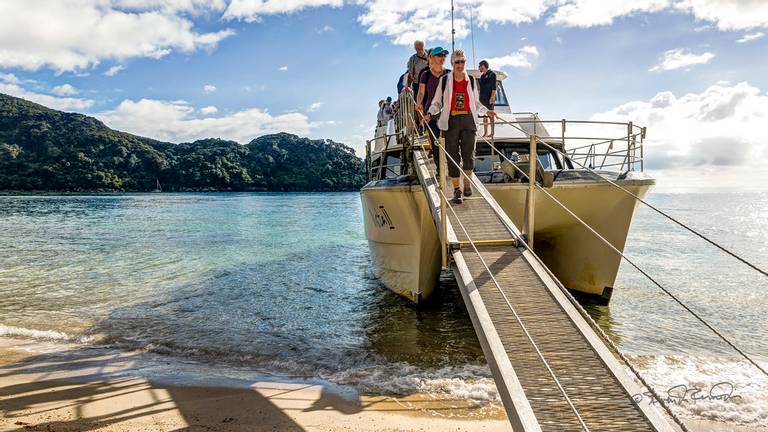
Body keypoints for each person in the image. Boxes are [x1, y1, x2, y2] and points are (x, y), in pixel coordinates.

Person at [425, 50, 495, 204]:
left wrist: (486, 111)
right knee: (452, 156)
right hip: (451, 120)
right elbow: (437, 103)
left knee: (468, 155)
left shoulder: (470, 79)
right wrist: (430, 114)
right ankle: (457, 190)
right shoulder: (444, 81)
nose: (460, 65)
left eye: (462, 61)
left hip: (468, 119)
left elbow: (475, 103)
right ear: (452, 63)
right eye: (457, 62)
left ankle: (467, 183)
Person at [415, 47, 450, 171]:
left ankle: (452, 168)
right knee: (436, 143)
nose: (442, 58)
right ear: (431, 58)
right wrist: (419, 103)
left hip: (448, 113)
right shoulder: (426, 75)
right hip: (431, 113)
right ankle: (440, 170)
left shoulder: (449, 74)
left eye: (444, 55)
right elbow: (421, 92)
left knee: (451, 142)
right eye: (439, 55)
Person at [478, 60, 497, 138]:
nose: (479, 68)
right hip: (483, 99)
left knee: (491, 115)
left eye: (480, 66)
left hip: (490, 99)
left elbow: (494, 88)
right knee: (485, 116)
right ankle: (485, 133)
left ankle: (492, 132)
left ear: (483, 66)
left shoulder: (492, 74)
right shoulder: (482, 76)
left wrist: (492, 97)